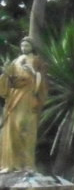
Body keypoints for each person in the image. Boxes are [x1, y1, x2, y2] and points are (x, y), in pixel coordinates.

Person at [0, 37, 47, 172]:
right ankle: (9, 164)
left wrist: (33, 72)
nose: (24, 48)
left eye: (27, 45)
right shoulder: (16, 61)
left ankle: (27, 164)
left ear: (32, 47)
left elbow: (43, 83)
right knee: (11, 129)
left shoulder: (37, 61)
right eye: (22, 46)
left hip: (28, 99)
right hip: (14, 99)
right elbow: (7, 84)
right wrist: (5, 74)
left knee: (26, 129)